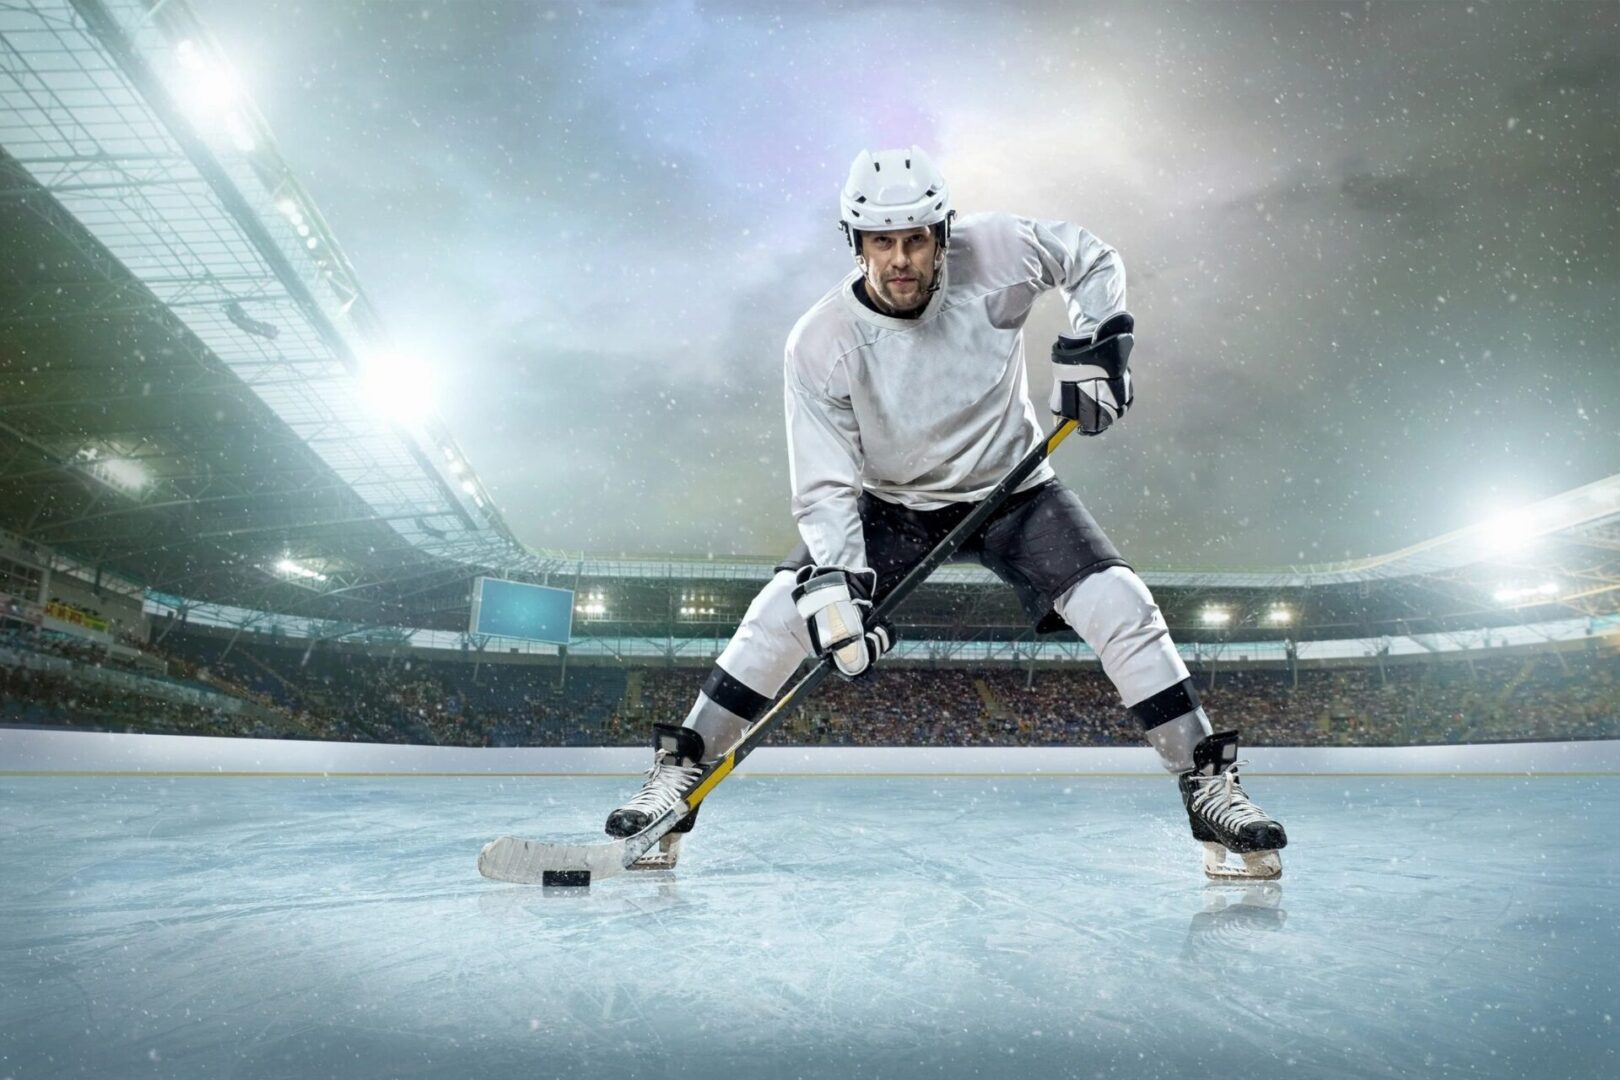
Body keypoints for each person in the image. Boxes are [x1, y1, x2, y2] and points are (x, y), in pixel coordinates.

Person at [605, 146, 1288, 880]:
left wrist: (1098, 341)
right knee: (781, 612)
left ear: (943, 232)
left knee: (1120, 602)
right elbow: (827, 484)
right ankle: (679, 780)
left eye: (916, 239)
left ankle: (1209, 786)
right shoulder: (820, 343)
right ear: (856, 242)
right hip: (891, 505)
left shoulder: (998, 252)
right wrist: (838, 595)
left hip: (1016, 490)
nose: (900, 259)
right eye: (881, 242)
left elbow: (1092, 259)